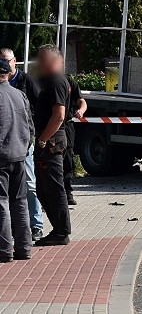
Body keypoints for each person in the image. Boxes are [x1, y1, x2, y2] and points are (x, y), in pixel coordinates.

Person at [1, 48, 44, 241]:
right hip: (18, 148)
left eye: (7, 60)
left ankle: (34, 225)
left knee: (27, 187)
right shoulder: (16, 92)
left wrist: (30, 143)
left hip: (16, 148)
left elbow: (34, 114)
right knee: (17, 197)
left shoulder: (26, 82)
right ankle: (23, 242)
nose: (6, 63)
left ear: (14, 61)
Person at [33, 45, 72, 247]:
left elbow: (59, 116)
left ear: (54, 61)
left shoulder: (57, 81)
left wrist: (42, 140)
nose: (39, 64)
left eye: (42, 60)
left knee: (54, 188)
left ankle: (61, 231)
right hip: (51, 139)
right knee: (43, 189)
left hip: (52, 141)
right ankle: (58, 230)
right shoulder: (54, 81)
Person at [0, 58, 35, 262]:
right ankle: (24, 248)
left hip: (2, 157)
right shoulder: (19, 95)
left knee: (2, 202)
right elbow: (30, 127)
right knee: (20, 202)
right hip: (19, 155)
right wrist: (24, 147)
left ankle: (4, 250)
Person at [63, 75, 86, 206]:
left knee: (68, 160)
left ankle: (68, 192)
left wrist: (81, 110)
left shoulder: (69, 81)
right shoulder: (43, 80)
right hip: (50, 125)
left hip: (67, 125)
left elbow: (81, 101)